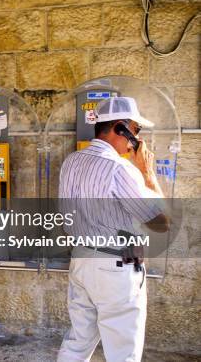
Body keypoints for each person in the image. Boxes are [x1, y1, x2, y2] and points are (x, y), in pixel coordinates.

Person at [57, 97, 169, 362]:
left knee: (78, 341)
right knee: (123, 351)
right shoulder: (120, 169)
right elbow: (161, 223)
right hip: (115, 267)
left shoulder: (71, 162)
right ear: (121, 128)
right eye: (136, 131)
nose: (136, 139)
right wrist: (148, 173)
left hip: (82, 260)